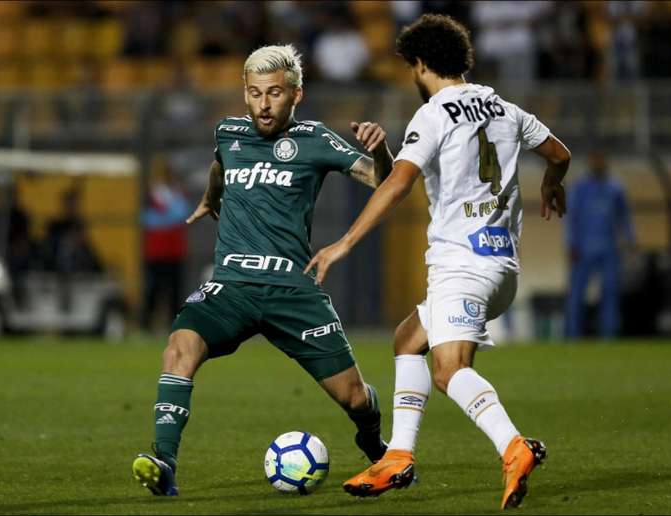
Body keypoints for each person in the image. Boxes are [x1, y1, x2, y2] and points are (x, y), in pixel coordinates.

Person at [306, 14, 571, 509]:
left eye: (411, 67)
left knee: (449, 371)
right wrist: (552, 183)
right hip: (501, 268)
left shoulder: (432, 115)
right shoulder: (506, 108)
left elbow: (398, 182)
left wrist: (343, 243)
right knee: (408, 339)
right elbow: (559, 153)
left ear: (421, 63)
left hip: (462, 265)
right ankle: (398, 456)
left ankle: (513, 447)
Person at [131, 44, 394, 497]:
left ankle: (371, 437)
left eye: (274, 93)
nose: (263, 104)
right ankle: (165, 462)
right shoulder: (229, 131)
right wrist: (212, 197)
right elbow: (221, 164)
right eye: (254, 93)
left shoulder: (315, 139)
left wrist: (382, 149)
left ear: (296, 94)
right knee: (179, 349)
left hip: (292, 290)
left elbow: (382, 180)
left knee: (353, 396)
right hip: (230, 286)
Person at [565, 150, 635, 339]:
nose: (598, 163)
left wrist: (630, 240)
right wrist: (571, 244)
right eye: (595, 159)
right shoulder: (580, 188)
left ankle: (609, 336)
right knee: (577, 295)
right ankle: (573, 336)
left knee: (610, 293)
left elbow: (625, 216)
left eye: (601, 159)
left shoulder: (615, 188)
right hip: (583, 249)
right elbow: (571, 218)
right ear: (590, 161)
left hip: (609, 248)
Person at [141, 162, 191, 332]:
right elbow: (148, 220)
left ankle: (174, 326)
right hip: (156, 252)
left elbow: (183, 215)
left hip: (175, 252)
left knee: (175, 291)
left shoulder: (178, 193)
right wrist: (169, 218)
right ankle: (146, 326)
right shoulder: (153, 194)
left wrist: (165, 218)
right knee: (153, 292)